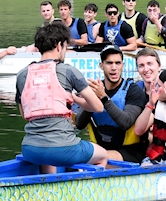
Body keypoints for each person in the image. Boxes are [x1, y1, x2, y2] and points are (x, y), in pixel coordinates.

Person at [15, 23, 107, 172]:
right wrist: (76, 99)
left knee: (48, 158)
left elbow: (25, 114)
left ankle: (49, 187)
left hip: (30, 149)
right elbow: (98, 107)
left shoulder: (22, 75)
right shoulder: (69, 71)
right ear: (59, 46)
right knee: (103, 155)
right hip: (64, 149)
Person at [75, 45, 149, 164]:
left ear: (122, 65)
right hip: (101, 148)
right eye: (109, 63)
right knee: (74, 155)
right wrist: (91, 100)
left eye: (118, 63)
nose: (114, 67)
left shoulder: (133, 90)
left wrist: (104, 98)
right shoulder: (94, 89)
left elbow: (126, 122)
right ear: (101, 66)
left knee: (92, 160)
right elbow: (79, 124)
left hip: (130, 151)